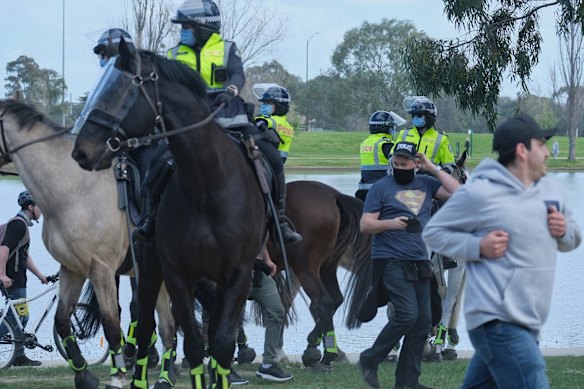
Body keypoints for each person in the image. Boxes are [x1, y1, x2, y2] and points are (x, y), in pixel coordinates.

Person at [423, 114, 581, 388]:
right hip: (497, 320)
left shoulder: (551, 191)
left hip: (529, 321)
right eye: (542, 145)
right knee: (532, 379)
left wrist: (565, 229)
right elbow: (434, 234)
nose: (547, 152)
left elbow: (573, 239)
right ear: (522, 151)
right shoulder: (482, 194)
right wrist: (477, 246)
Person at [134, 0, 301, 245]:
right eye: (182, 27)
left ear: (204, 28)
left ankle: (279, 220)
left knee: (272, 158)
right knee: (156, 162)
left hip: (229, 118)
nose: (182, 32)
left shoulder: (227, 48)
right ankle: (150, 218)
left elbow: (237, 73)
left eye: (187, 26)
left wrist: (231, 90)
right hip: (187, 126)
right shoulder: (173, 54)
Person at [357, 142, 460, 389]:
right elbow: (365, 224)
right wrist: (390, 224)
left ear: (416, 163)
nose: (400, 166)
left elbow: (459, 192)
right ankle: (369, 359)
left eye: (405, 163)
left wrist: (433, 168)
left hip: (419, 261)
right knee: (407, 314)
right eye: (396, 163)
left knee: (423, 322)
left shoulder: (426, 183)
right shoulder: (381, 188)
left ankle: (407, 382)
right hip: (390, 259)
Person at [0, 191, 48, 367]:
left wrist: (40, 275)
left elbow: (24, 255)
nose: (41, 211)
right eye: (39, 207)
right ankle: (18, 356)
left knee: (18, 318)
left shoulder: (21, 226)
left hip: (16, 277)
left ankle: (19, 356)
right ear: (30, 207)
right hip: (12, 278)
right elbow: (4, 249)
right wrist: (2, 274)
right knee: (20, 318)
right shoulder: (18, 225)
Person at [249, 249, 293, 382]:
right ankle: (225, 367)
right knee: (232, 317)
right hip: (236, 273)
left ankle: (268, 364)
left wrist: (266, 259)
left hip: (258, 273)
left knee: (277, 311)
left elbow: (261, 235)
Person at [394, 96, 456, 174]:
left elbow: (450, 166)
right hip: (405, 179)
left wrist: (435, 172)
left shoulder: (441, 139)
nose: (415, 118)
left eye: (419, 115)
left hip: (429, 181)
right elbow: (392, 157)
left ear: (429, 117)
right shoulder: (404, 134)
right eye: (413, 115)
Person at [356, 110, 406, 201]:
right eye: (391, 127)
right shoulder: (385, 143)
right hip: (382, 189)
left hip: (363, 188)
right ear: (385, 128)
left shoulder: (365, 142)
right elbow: (400, 165)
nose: (393, 130)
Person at [254, 84, 295, 164]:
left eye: (268, 103)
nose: (264, 106)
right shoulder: (289, 128)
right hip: (277, 163)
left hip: (261, 159)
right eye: (264, 103)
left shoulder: (271, 120)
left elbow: (261, 122)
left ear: (279, 105)